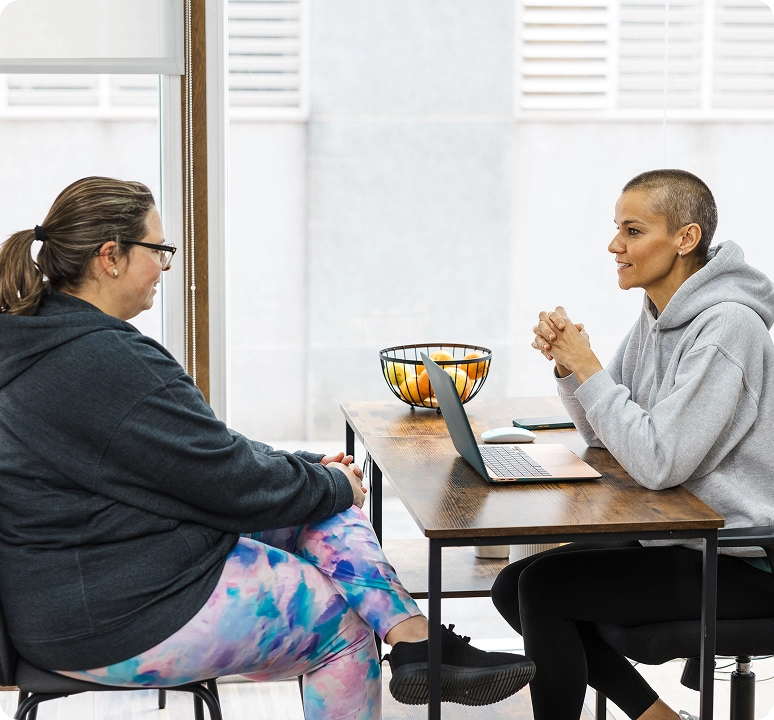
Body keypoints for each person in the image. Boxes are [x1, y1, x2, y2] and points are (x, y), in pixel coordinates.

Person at [0, 177, 535, 720]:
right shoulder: (104, 360)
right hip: (115, 616)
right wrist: (327, 482)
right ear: (110, 256)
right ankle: (413, 643)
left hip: (81, 587)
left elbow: (200, 451)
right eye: (158, 250)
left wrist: (309, 471)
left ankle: (417, 641)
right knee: (347, 627)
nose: (165, 265)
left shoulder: (40, 337)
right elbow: (225, 479)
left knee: (327, 508)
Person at [490, 169, 774, 720]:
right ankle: (657, 717)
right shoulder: (659, 314)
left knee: (545, 588)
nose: (614, 245)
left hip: (744, 557)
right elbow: (605, 434)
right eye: (617, 228)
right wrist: (571, 369)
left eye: (633, 230)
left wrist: (589, 367)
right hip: (684, 535)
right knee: (514, 585)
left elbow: (658, 461)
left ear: (685, 239)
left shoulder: (728, 329)